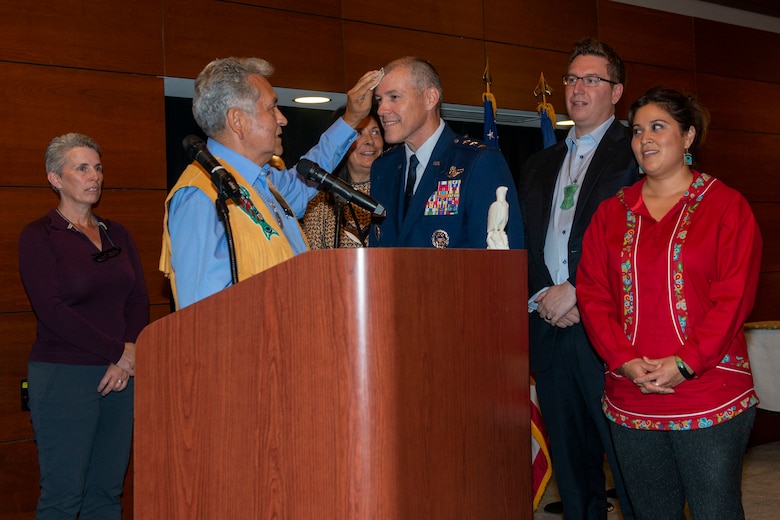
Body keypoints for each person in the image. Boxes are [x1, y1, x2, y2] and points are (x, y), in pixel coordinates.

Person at [577, 87, 762, 520]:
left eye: (658, 127)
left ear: (689, 136)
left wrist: (684, 363)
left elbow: (733, 299)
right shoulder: (610, 213)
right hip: (631, 394)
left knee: (715, 511)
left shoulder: (726, 207)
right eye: (637, 130)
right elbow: (592, 294)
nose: (644, 139)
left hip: (708, 392)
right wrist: (622, 359)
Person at [517, 38, 639, 519]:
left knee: (629, 465)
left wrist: (581, 293)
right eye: (572, 79)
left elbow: (635, 242)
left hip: (608, 333)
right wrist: (544, 292)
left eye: (592, 79)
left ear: (616, 91)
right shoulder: (539, 163)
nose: (578, 88)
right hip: (548, 327)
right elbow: (522, 238)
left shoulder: (634, 153)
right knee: (572, 469)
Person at [159, 57, 382, 308]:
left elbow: (309, 172)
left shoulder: (264, 182)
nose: (283, 119)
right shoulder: (201, 197)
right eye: (271, 108)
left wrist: (351, 119)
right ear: (238, 121)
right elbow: (201, 315)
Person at [18, 133, 149, 518]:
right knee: (63, 496)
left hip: (120, 376)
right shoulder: (39, 235)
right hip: (65, 376)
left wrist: (129, 356)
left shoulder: (117, 233)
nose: (95, 176)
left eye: (98, 167)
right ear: (55, 179)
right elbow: (52, 310)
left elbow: (139, 299)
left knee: (106, 495)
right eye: (82, 168)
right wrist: (119, 353)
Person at [369, 56, 523, 249]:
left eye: (394, 97)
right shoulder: (383, 167)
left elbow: (500, 261)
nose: (382, 109)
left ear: (430, 98)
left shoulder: (477, 162)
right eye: (379, 100)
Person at [301, 105, 384, 248]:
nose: (369, 140)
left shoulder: (395, 191)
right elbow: (312, 259)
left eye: (375, 132)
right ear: (341, 144)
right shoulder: (320, 200)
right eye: (359, 133)